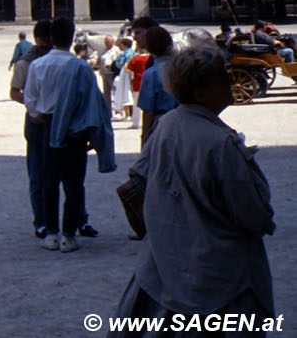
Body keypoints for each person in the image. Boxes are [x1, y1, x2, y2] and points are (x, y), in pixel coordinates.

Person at [115, 42, 274, 323]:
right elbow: (251, 213)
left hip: (166, 258)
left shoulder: (167, 124)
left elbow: (137, 178)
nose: (229, 83)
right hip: (219, 269)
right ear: (200, 93)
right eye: (222, 79)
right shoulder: (220, 143)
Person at [24, 17, 99, 252]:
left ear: (51, 38)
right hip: (75, 130)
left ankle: (51, 233)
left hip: (47, 125)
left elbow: (30, 100)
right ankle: (69, 233)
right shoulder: (81, 67)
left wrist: (43, 116)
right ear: (72, 37)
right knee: (74, 184)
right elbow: (91, 102)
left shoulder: (38, 65)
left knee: (49, 181)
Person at [10, 19, 53, 238]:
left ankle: (76, 219)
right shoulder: (25, 63)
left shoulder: (58, 58)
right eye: (45, 45)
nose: (48, 48)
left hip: (56, 120)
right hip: (36, 122)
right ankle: (41, 221)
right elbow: (15, 92)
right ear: (37, 41)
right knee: (37, 174)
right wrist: (35, 106)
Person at [137, 25, 178, 148]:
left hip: (161, 122)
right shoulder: (181, 67)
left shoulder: (151, 74)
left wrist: (144, 136)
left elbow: (148, 110)